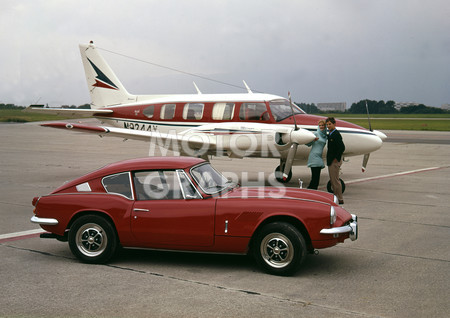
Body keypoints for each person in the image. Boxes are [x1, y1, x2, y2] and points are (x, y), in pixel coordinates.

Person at [325, 117, 345, 204]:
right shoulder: (331, 133)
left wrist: (336, 159)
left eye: (330, 124)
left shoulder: (336, 134)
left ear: (334, 124)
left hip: (334, 161)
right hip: (331, 160)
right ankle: (336, 197)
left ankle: (340, 199)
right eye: (327, 124)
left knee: (335, 180)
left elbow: (342, 147)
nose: (328, 126)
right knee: (333, 180)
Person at [306, 120, 327, 189]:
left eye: (323, 125)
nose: (321, 127)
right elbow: (307, 144)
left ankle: (311, 190)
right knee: (315, 177)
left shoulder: (325, 136)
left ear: (325, 126)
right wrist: (313, 140)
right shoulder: (316, 133)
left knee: (317, 177)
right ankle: (311, 190)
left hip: (319, 157)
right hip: (314, 156)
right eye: (320, 125)